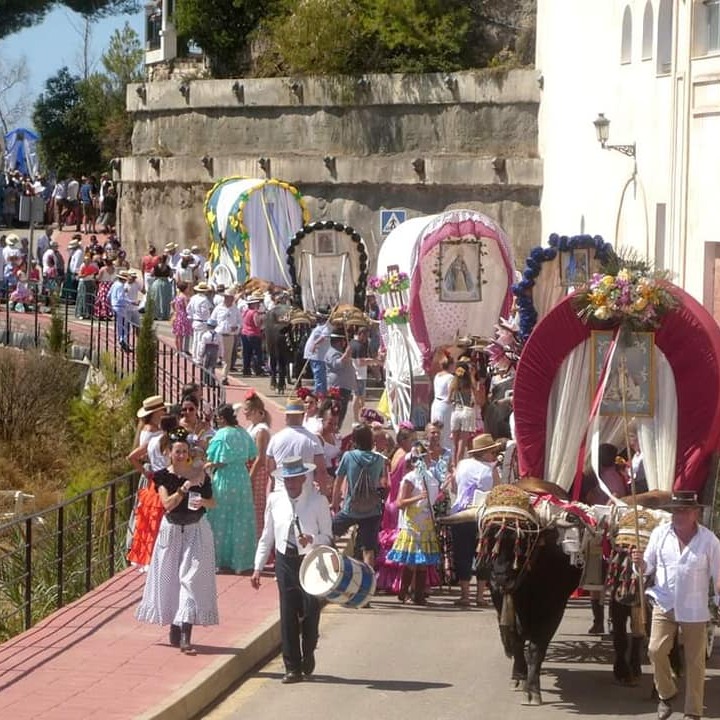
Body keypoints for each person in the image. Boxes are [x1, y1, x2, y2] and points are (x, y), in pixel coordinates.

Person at [632, 491, 720, 720]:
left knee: (695, 662)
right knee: (655, 650)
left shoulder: (709, 540)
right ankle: (666, 693)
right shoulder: (660, 534)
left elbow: (718, 576)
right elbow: (647, 567)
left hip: (694, 608)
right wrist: (639, 564)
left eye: (683, 510)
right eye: (675, 510)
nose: (678, 515)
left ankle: (693, 712)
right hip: (664, 602)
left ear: (695, 513)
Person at [135, 429, 218, 655]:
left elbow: (213, 503)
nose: (181, 455)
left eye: (184, 451)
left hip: (195, 530)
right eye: (177, 451)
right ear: (169, 453)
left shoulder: (200, 474)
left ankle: (185, 636)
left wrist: (203, 502)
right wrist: (184, 488)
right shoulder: (163, 477)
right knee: (171, 579)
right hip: (171, 530)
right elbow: (167, 504)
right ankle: (174, 624)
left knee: (190, 579)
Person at [251, 456, 333, 683]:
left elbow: (328, 536)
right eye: (287, 480)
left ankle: (308, 650)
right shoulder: (275, 500)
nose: (291, 484)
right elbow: (267, 535)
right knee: (287, 612)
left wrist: (313, 539)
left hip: (310, 560)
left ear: (303, 478)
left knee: (310, 608)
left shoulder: (318, 501)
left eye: (294, 479)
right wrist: (258, 566)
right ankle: (292, 667)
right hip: (285, 560)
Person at [386, 442, 442, 605]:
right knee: (411, 561)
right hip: (412, 525)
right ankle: (405, 593)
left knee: (423, 562)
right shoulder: (409, 479)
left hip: (425, 524)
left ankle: (419, 595)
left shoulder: (430, 478)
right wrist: (418, 497)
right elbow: (400, 502)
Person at [205, 404, 257, 573]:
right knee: (240, 517)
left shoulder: (222, 434)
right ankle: (240, 560)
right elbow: (251, 454)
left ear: (222, 418)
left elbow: (219, 460)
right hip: (242, 477)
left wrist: (208, 464)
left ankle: (220, 558)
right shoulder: (243, 432)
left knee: (221, 517)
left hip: (226, 477)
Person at [450, 433, 501, 607]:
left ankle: (465, 595)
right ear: (485, 453)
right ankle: (480, 595)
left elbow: (455, 487)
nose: (494, 455)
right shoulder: (491, 469)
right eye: (492, 451)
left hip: (461, 513)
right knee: (483, 554)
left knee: (462, 553)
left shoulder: (462, 464)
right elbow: (498, 491)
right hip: (483, 515)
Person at [331, 424, 387, 568]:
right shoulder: (379, 459)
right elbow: (383, 483)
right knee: (368, 550)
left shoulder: (348, 456)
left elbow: (338, 483)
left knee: (328, 534)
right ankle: (370, 583)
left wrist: (335, 503)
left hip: (351, 508)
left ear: (355, 440)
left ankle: (336, 568)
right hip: (372, 510)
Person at [376, 424, 415, 594]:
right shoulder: (406, 457)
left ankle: (388, 579)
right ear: (404, 440)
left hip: (390, 502)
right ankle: (398, 581)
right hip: (400, 501)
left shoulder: (395, 455)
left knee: (392, 540)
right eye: (412, 440)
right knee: (401, 540)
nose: (414, 443)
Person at [266, 397, 329, 498]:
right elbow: (321, 471)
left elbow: (269, 469)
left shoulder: (275, 439)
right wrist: (324, 494)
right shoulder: (313, 439)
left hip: (281, 492)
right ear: (303, 415)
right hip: (306, 494)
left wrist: (275, 484)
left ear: (286, 416)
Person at [241, 391, 272, 537]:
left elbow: (260, 458)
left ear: (254, 411)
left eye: (246, 410)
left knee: (257, 506)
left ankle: (259, 537)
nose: (244, 413)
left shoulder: (261, 430)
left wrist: (250, 477)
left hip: (257, 471)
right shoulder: (252, 427)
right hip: (249, 467)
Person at [210, 287, 241, 385]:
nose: (230, 299)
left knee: (227, 359)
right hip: (218, 335)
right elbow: (212, 321)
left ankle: (224, 377)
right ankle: (211, 376)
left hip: (229, 336)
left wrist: (237, 327)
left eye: (231, 298)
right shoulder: (218, 308)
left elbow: (241, 322)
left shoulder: (235, 309)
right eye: (228, 297)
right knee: (214, 356)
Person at [325, 329, 355, 428]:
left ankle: (336, 430)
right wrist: (346, 354)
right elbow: (336, 364)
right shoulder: (333, 352)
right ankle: (335, 431)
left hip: (344, 387)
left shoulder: (338, 352)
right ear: (339, 341)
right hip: (339, 387)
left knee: (341, 413)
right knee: (338, 413)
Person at [449, 361, 475, 466]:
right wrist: (472, 375)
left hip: (456, 412)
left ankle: (454, 465)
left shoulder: (454, 383)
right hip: (467, 412)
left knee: (454, 444)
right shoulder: (469, 383)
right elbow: (475, 392)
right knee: (462, 443)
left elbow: (449, 399)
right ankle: (459, 466)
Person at [303, 308, 332, 394]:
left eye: (318, 317)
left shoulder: (327, 326)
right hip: (314, 355)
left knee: (319, 376)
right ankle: (320, 392)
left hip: (319, 355)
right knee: (317, 375)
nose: (316, 318)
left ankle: (320, 394)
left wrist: (315, 344)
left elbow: (324, 337)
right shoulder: (319, 326)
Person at [431, 352, 455, 450]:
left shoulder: (437, 375)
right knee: (446, 432)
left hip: (436, 403)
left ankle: (435, 449)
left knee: (436, 429)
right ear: (451, 365)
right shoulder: (451, 377)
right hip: (445, 406)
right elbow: (450, 396)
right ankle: (446, 451)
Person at [170, 281, 193, 354]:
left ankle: (177, 350)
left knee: (177, 335)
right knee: (182, 335)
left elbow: (172, 303)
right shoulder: (184, 297)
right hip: (183, 316)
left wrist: (175, 310)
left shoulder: (178, 296)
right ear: (185, 289)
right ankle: (182, 350)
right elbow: (187, 307)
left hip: (177, 316)